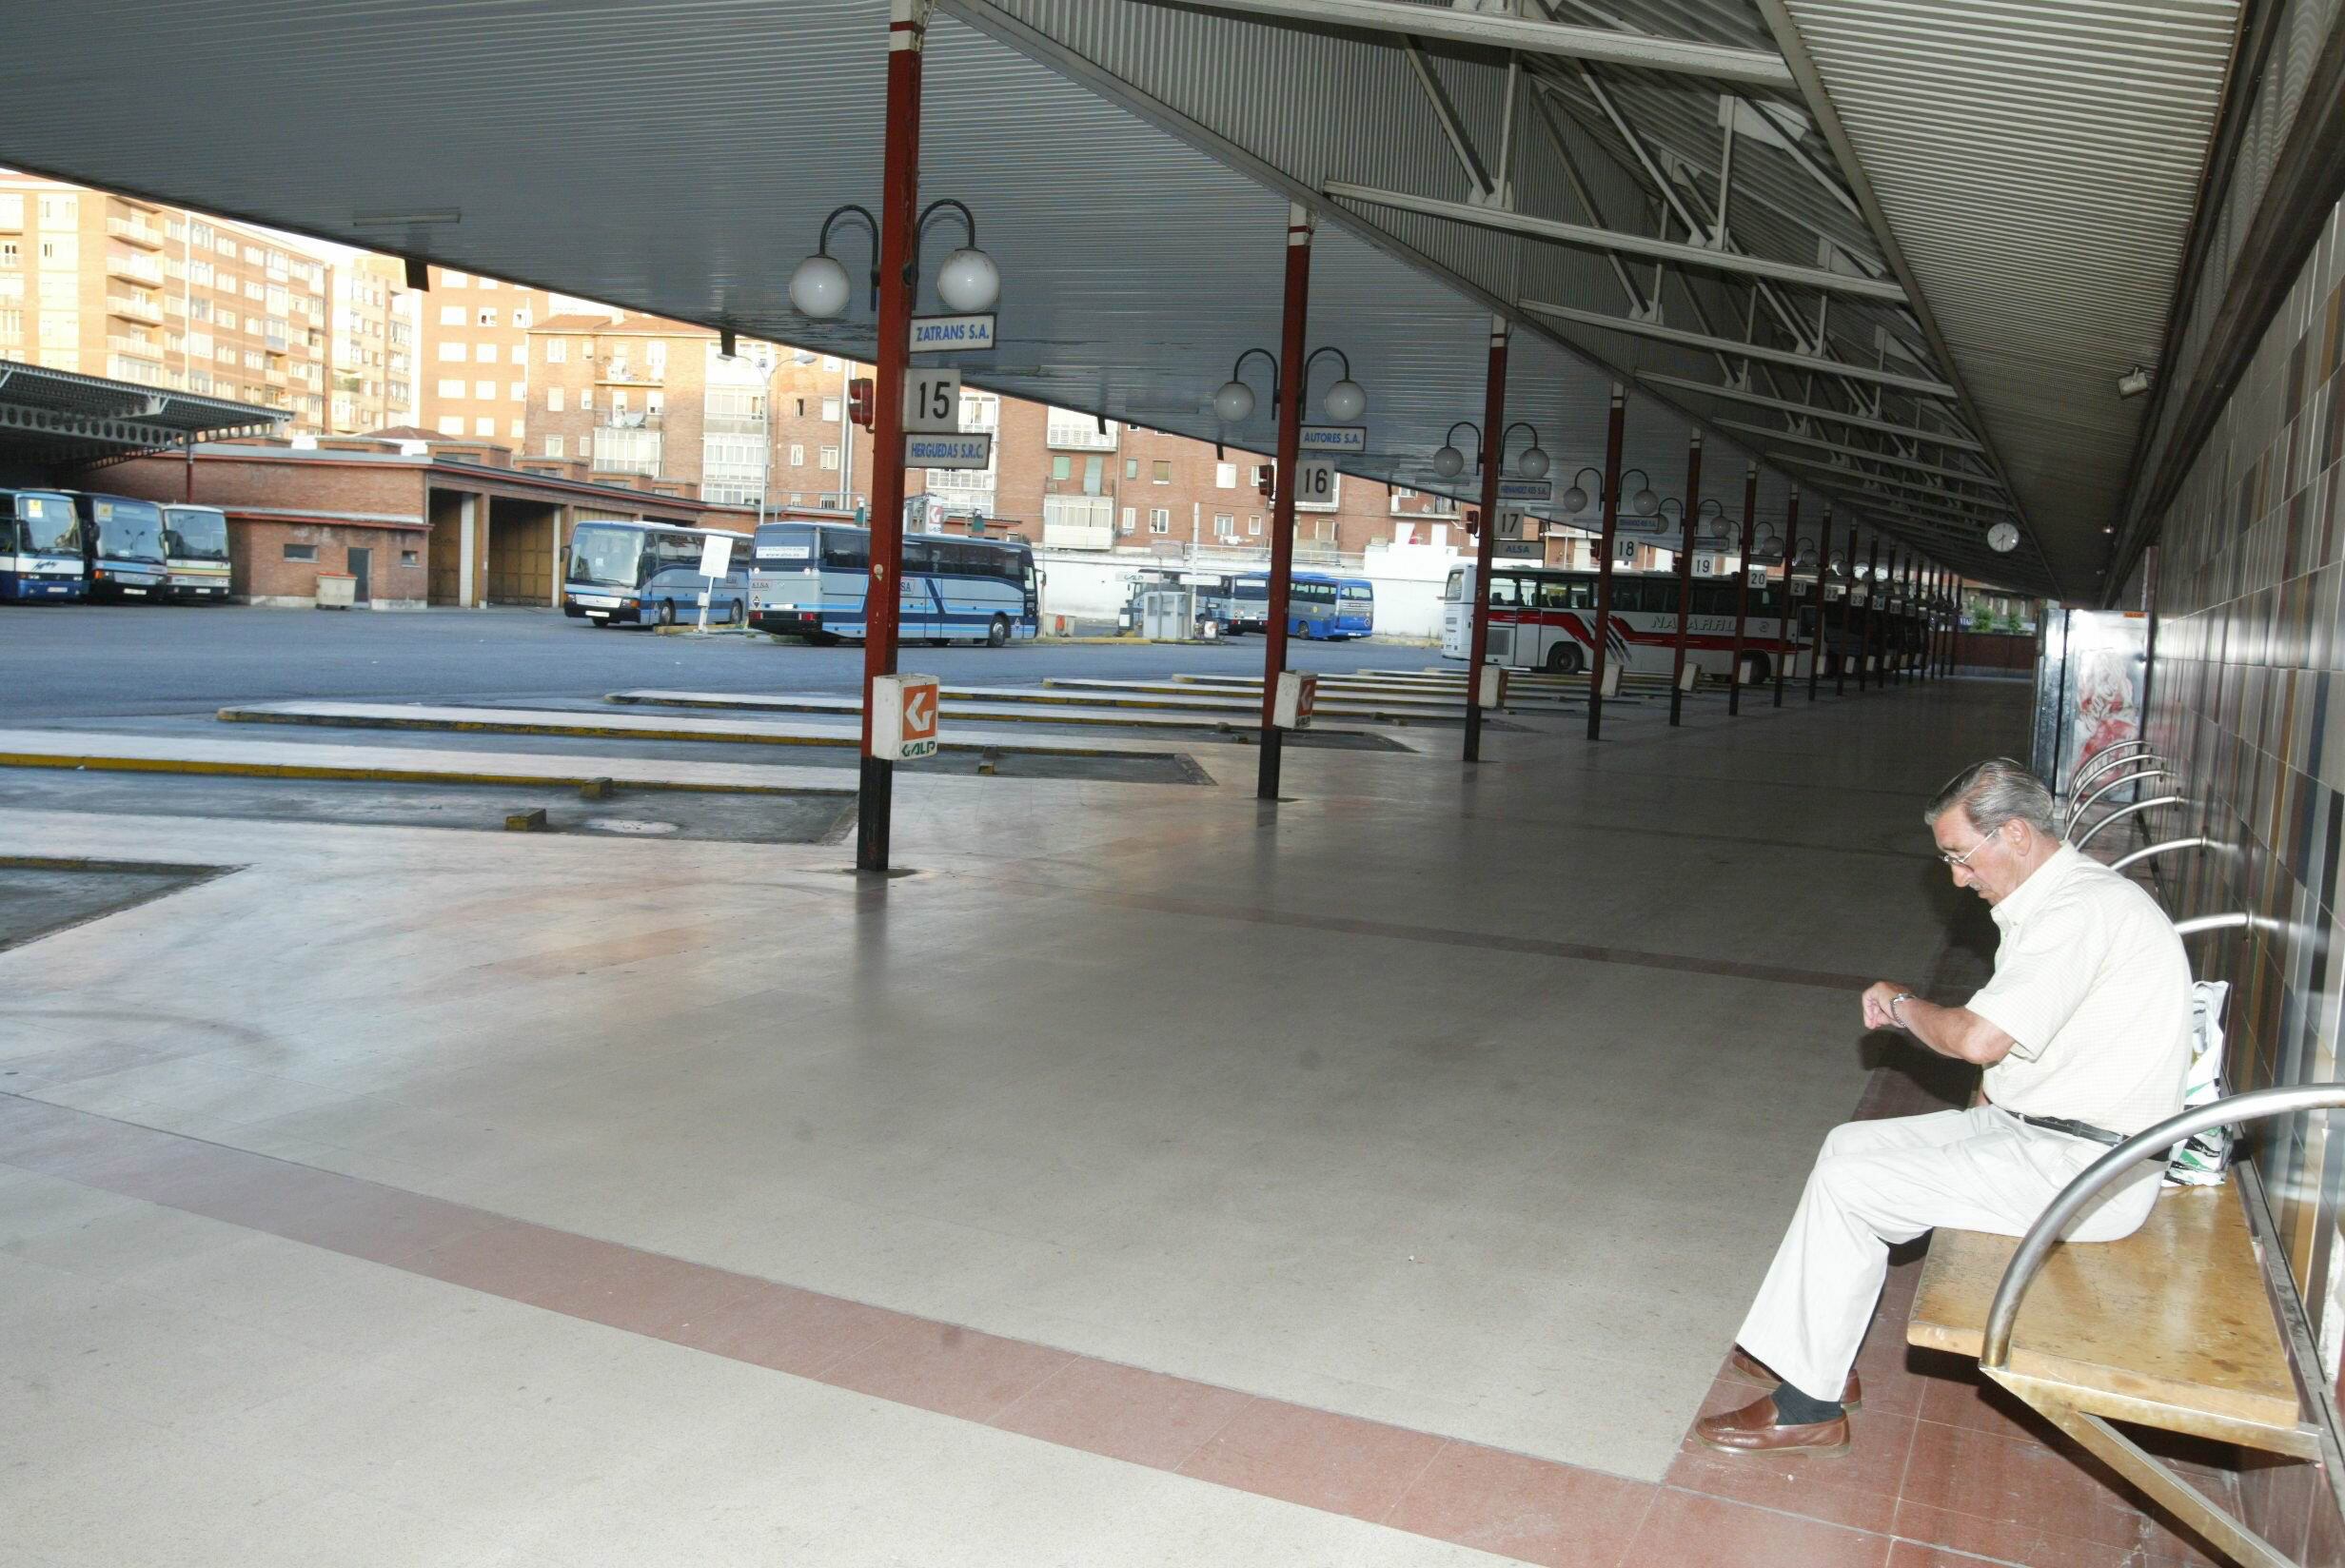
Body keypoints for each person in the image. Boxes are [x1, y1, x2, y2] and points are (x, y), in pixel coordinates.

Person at [1696, 757, 2193, 1457]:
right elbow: (2012, 1054)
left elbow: (1980, 1038)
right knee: (1849, 1146)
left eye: (1961, 856)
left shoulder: (2079, 912)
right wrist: (1979, 1115)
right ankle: (1815, 1359)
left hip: (2088, 1171)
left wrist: (1901, 1005)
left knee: (1856, 1183)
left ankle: (1810, 1404)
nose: (1958, 878)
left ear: (2015, 834)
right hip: (2051, 1135)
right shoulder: (2058, 900)